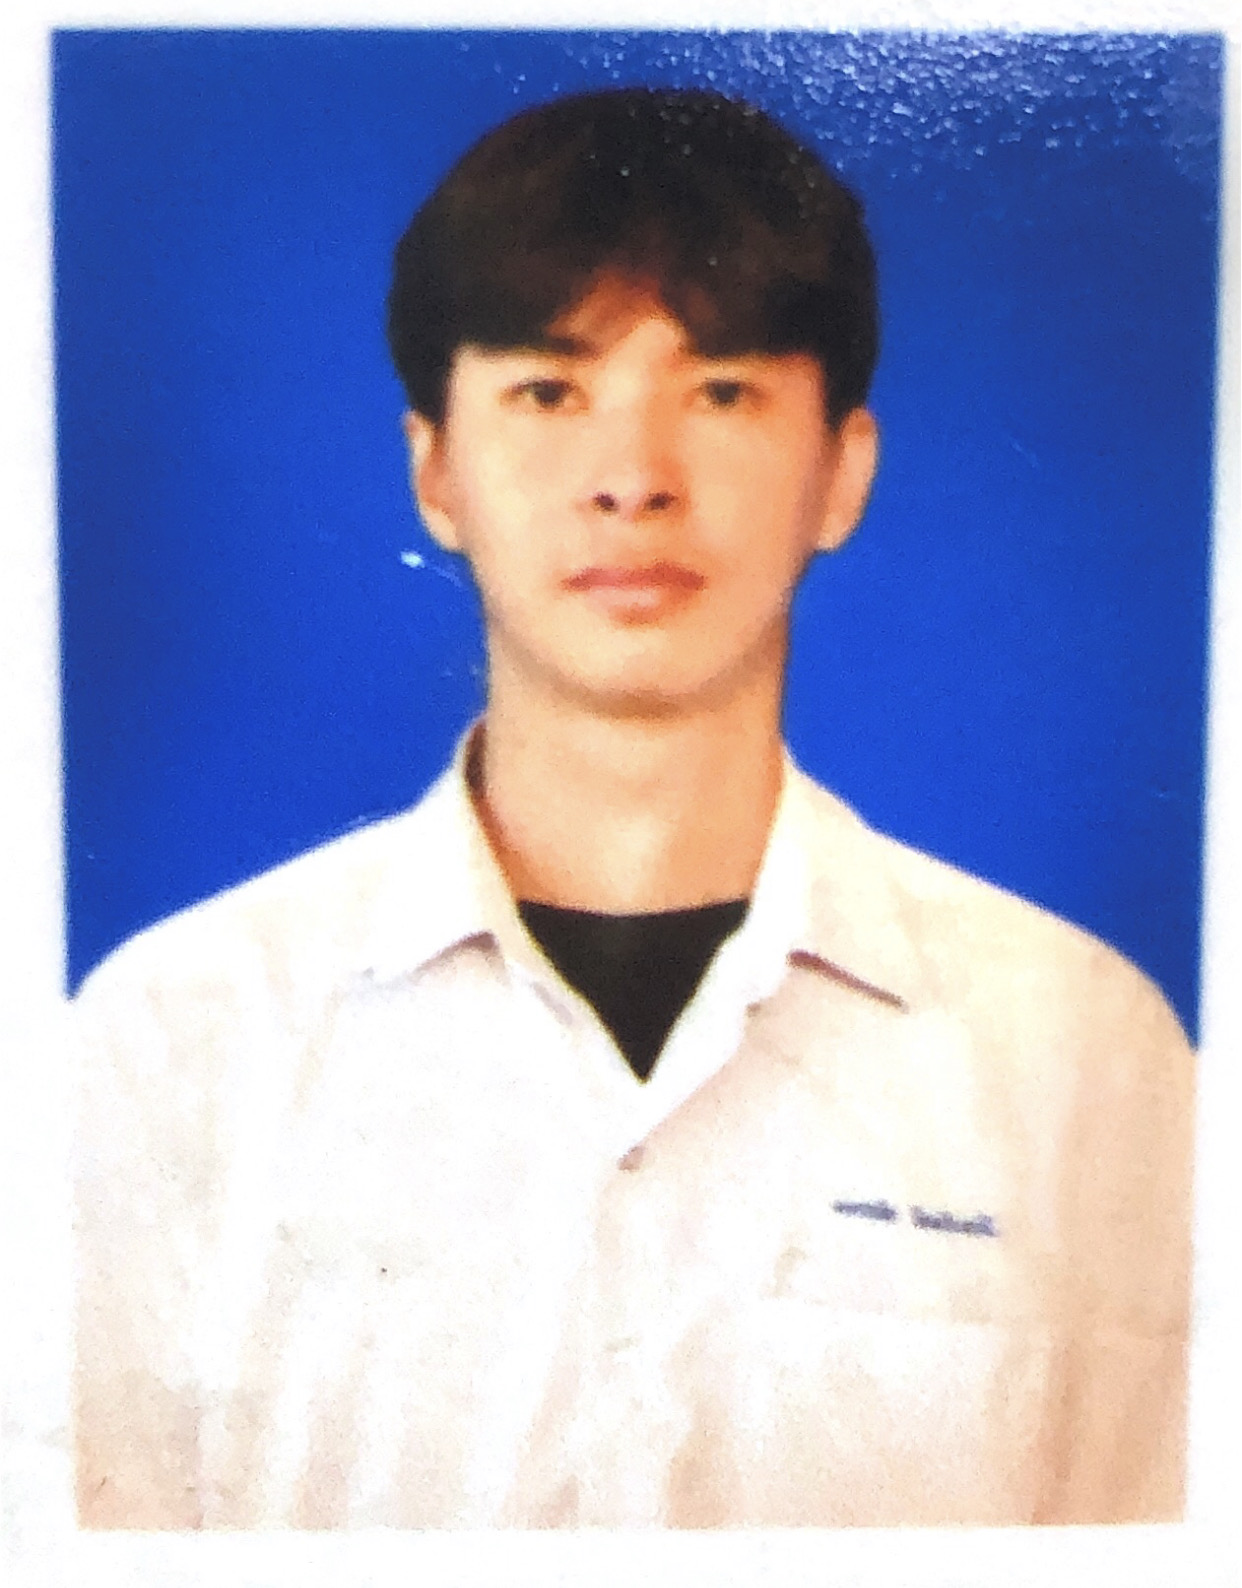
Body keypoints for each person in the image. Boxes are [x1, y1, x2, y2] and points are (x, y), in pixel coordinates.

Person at [73, 87, 1194, 1530]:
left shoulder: (1084, 1056)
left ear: (842, 470)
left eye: (721, 393)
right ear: (435, 470)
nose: (634, 482)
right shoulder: (171, 1042)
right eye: (550, 394)